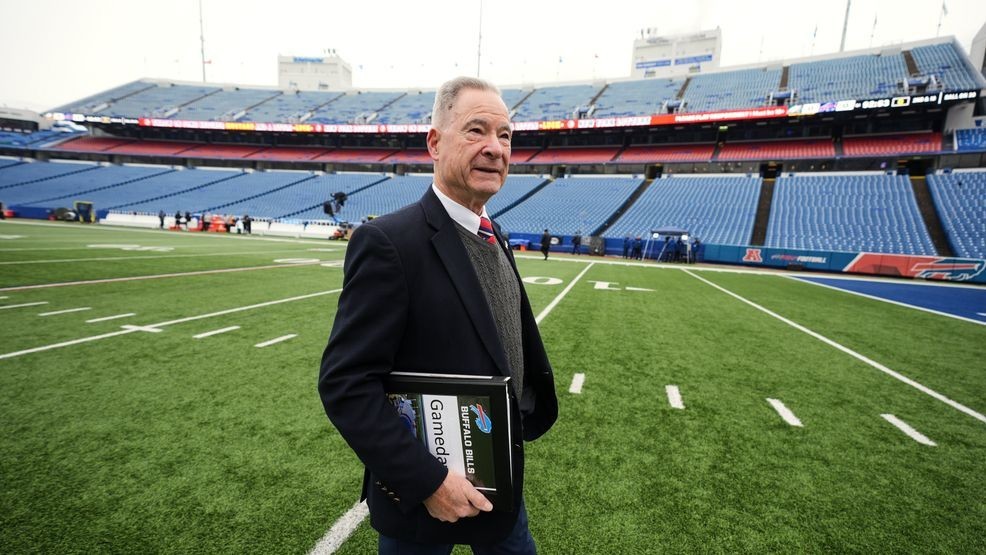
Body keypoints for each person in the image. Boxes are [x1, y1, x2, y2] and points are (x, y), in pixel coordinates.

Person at [318, 76, 558, 554]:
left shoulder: (496, 234)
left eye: (505, 135)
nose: (495, 148)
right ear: (434, 142)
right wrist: (429, 481)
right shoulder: (390, 243)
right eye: (476, 131)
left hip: (499, 480)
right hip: (423, 499)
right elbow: (346, 383)